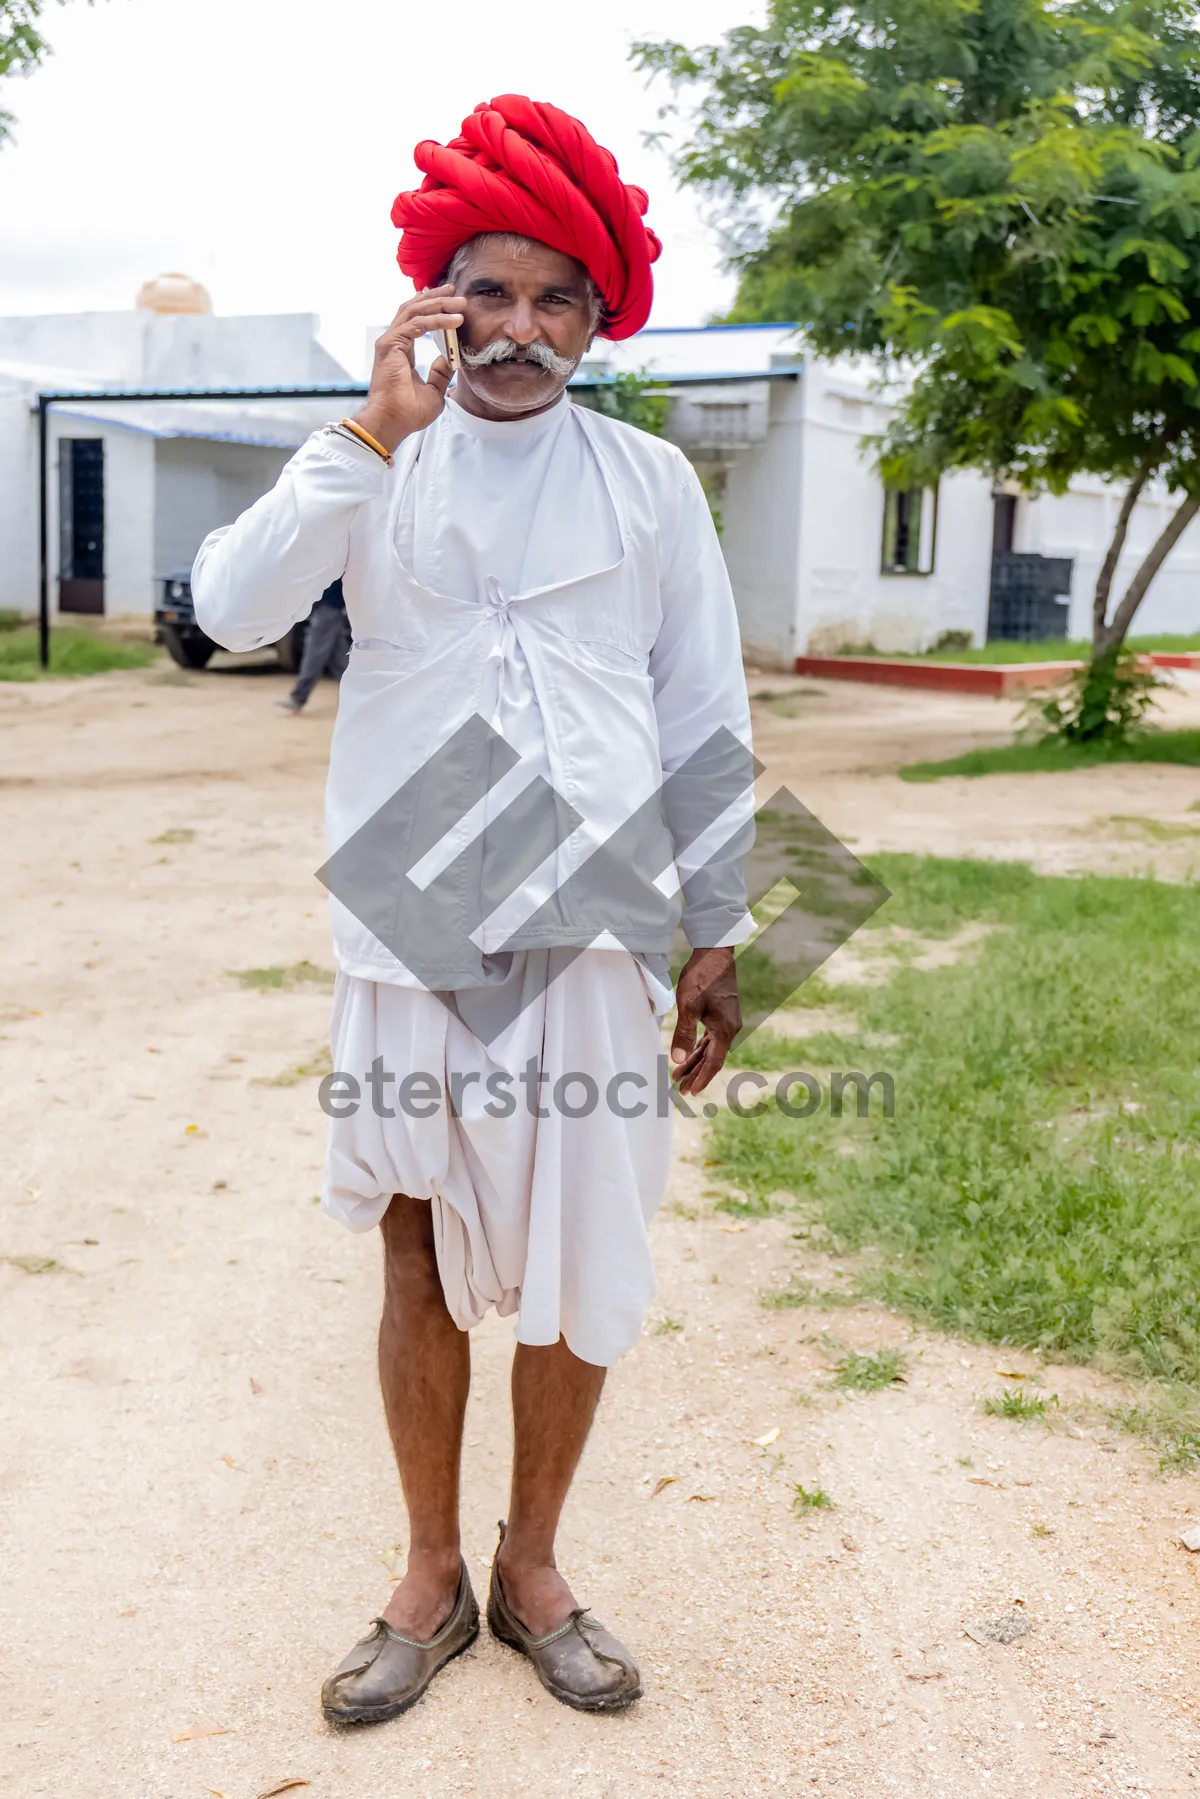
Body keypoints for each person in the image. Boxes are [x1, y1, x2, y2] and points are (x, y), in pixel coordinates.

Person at [192, 94, 753, 1724]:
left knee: (585, 1250)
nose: (516, 327)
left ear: (594, 320)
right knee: (416, 1253)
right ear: (434, 303)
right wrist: (366, 431)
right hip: (413, 925)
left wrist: (715, 923)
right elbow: (229, 609)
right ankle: (429, 1574)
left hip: (590, 929)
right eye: (485, 292)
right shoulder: (371, 462)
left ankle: (535, 1565)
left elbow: (701, 703)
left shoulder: (650, 483)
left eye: (552, 298)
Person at [276, 578, 349, 712]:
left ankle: (298, 696)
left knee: (315, 652)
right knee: (339, 655)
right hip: (332, 603)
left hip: (328, 604)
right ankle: (358, 693)